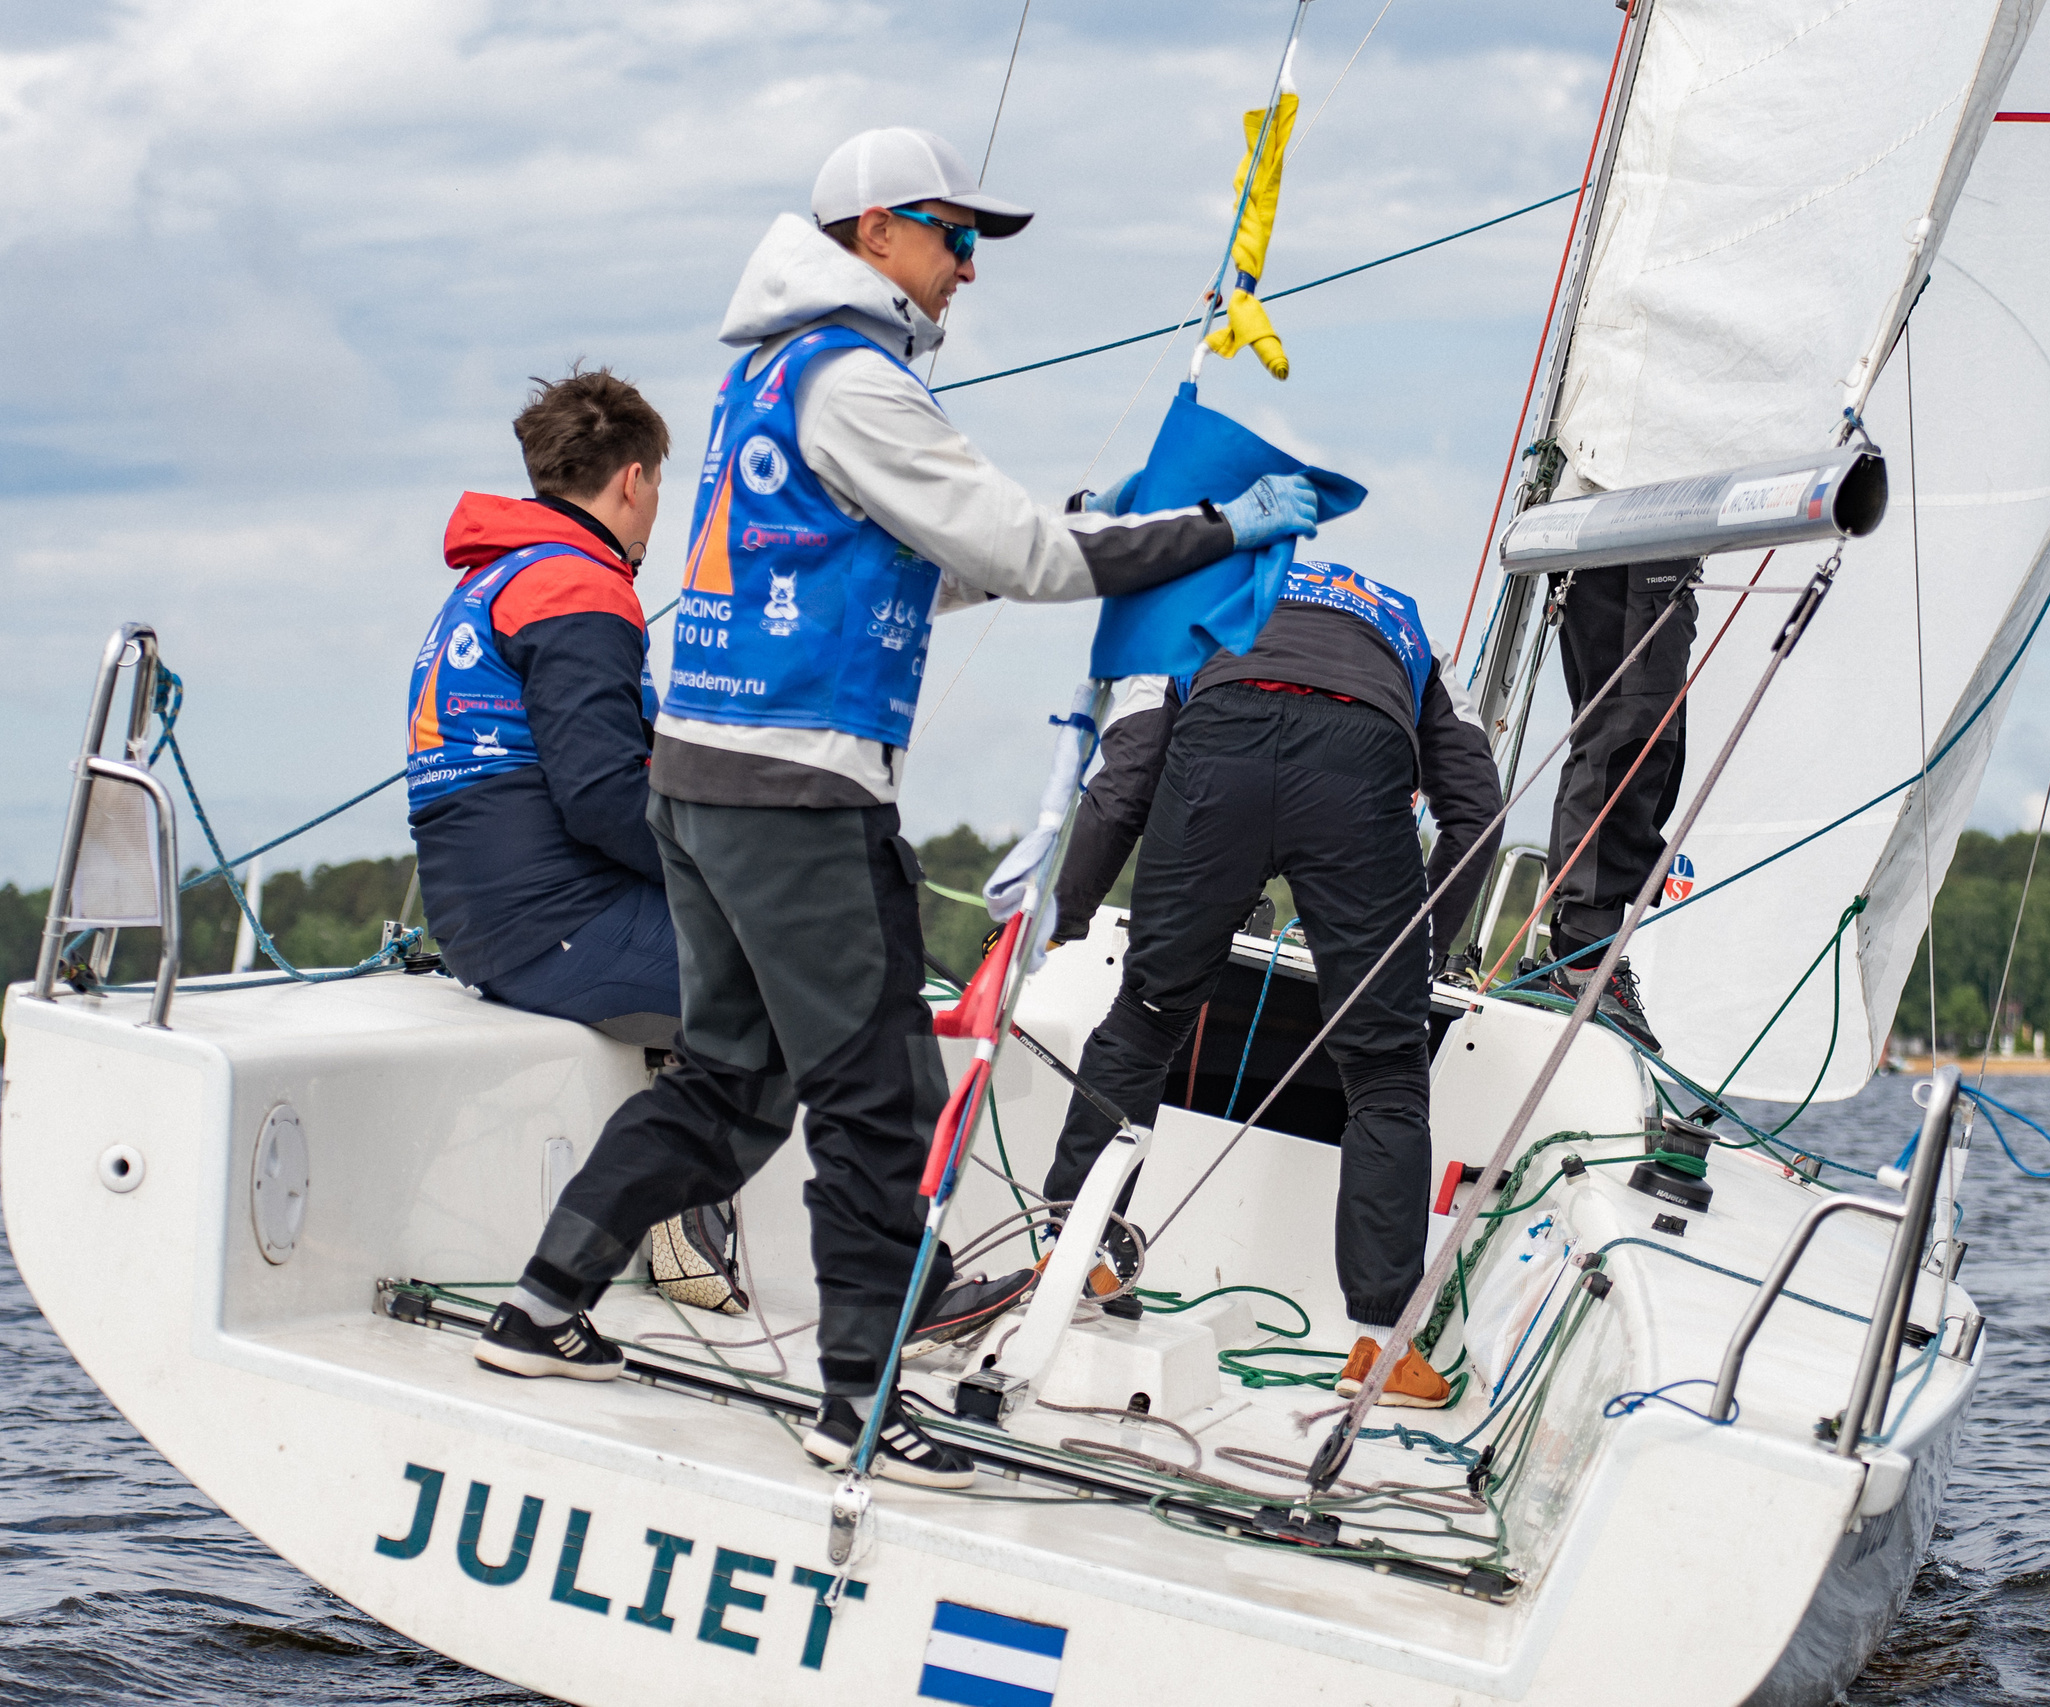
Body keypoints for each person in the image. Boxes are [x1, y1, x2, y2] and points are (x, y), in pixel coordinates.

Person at [474, 126, 1322, 1491]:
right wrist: (1223, 524)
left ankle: (540, 1303)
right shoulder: (858, 380)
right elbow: (1032, 558)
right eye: (958, 236)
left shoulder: (773, 375)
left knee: (738, 1080)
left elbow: (920, 571)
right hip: (795, 790)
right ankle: (859, 1403)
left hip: (702, 779)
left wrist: (1062, 525)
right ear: (878, 229)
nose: (970, 268)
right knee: (880, 1095)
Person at [1042, 560, 1504, 1409]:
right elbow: (1476, 811)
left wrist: (1059, 916)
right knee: (1386, 1069)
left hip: (1220, 748)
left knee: (1145, 1018)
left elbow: (1125, 782)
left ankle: (1072, 1262)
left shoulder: (1196, 605)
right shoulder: (1415, 632)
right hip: (1360, 768)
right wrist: (1420, 950)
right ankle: (1383, 1348)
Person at [406, 367, 679, 1047]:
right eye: (658, 490)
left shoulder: (496, 578)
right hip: (559, 926)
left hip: (491, 928)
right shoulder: (575, 585)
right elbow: (604, 794)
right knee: (826, 972)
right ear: (632, 481)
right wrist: (737, 869)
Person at [1520, 561, 1693, 1049]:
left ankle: (1574, 953)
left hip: (1625, 544)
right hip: (1639, 544)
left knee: (1632, 737)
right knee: (1631, 740)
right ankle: (1581, 964)